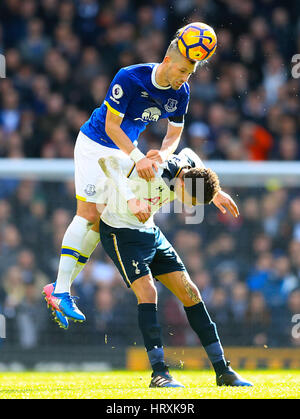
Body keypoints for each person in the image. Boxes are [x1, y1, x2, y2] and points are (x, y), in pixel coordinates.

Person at [46, 147, 253, 387]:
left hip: (150, 232)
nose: (189, 207)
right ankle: (160, 373)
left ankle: (223, 370)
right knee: (148, 292)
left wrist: (216, 193)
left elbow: (190, 153)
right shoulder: (155, 169)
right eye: (192, 200)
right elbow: (108, 162)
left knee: (191, 293)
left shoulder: (188, 167)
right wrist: (131, 199)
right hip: (120, 232)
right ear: (185, 183)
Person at [43, 26, 204, 325]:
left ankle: (59, 288)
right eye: (182, 69)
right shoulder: (130, 77)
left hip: (125, 152)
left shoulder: (181, 92)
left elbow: (175, 132)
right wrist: (139, 157)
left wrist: (163, 155)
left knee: (102, 217)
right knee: (89, 213)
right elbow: (111, 127)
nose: (184, 77)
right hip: (96, 144)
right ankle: (61, 289)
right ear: (168, 61)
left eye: (189, 73)